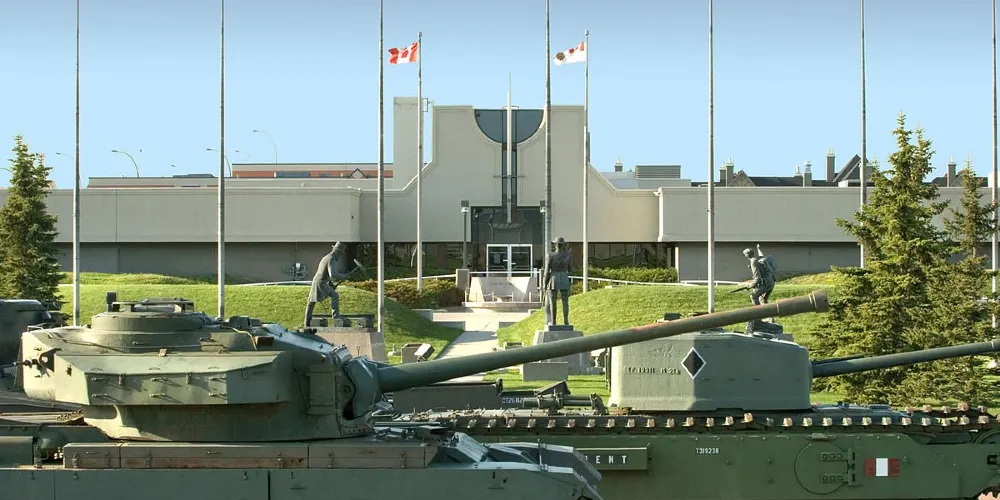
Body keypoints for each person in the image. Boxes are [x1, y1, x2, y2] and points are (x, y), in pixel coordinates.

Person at [303, 242, 351, 328]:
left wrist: (330, 284)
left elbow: (326, 273)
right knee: (335, 295)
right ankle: (336, 316)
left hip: (319, 281)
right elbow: (332, 274)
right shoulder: (332, 259)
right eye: (340, 253)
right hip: (321, 283)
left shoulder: (327, 257)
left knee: (311, 302)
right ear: (337, 252)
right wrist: (343, 276)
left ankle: (306, 323)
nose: (340, 256)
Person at [543, 236, 572, 326]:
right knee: (565, 302)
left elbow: (546, 271)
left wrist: (544, 283)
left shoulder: (550, 255)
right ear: (563, 245)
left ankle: (553, 322)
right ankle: (566, 322)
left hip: (553, 278)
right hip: (564, 278)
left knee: (553, 302)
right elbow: (570, 269)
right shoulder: (567, 256)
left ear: (555, 245)